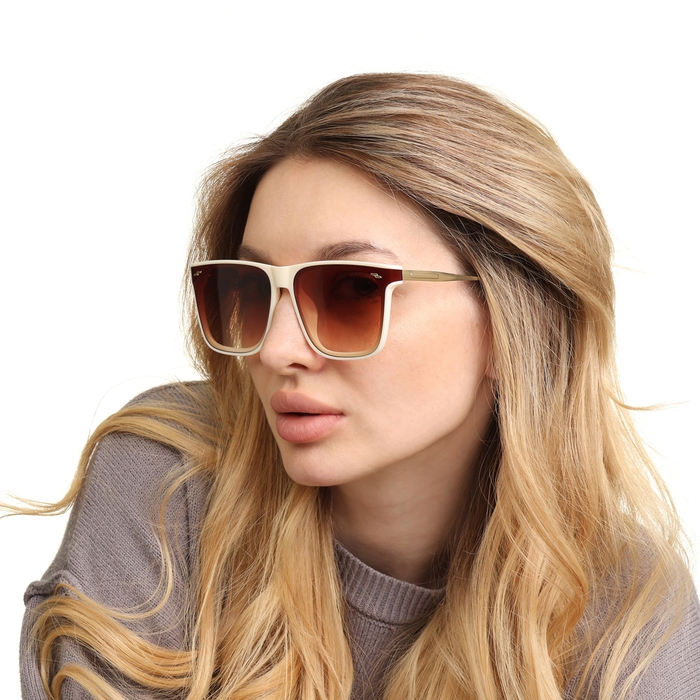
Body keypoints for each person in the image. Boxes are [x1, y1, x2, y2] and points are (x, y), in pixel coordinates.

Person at [16, 73, 700, 700]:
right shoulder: (171, 478)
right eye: (250, 289)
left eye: (350, 290)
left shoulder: (631, 622)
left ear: (515, 323)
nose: (275, 349)